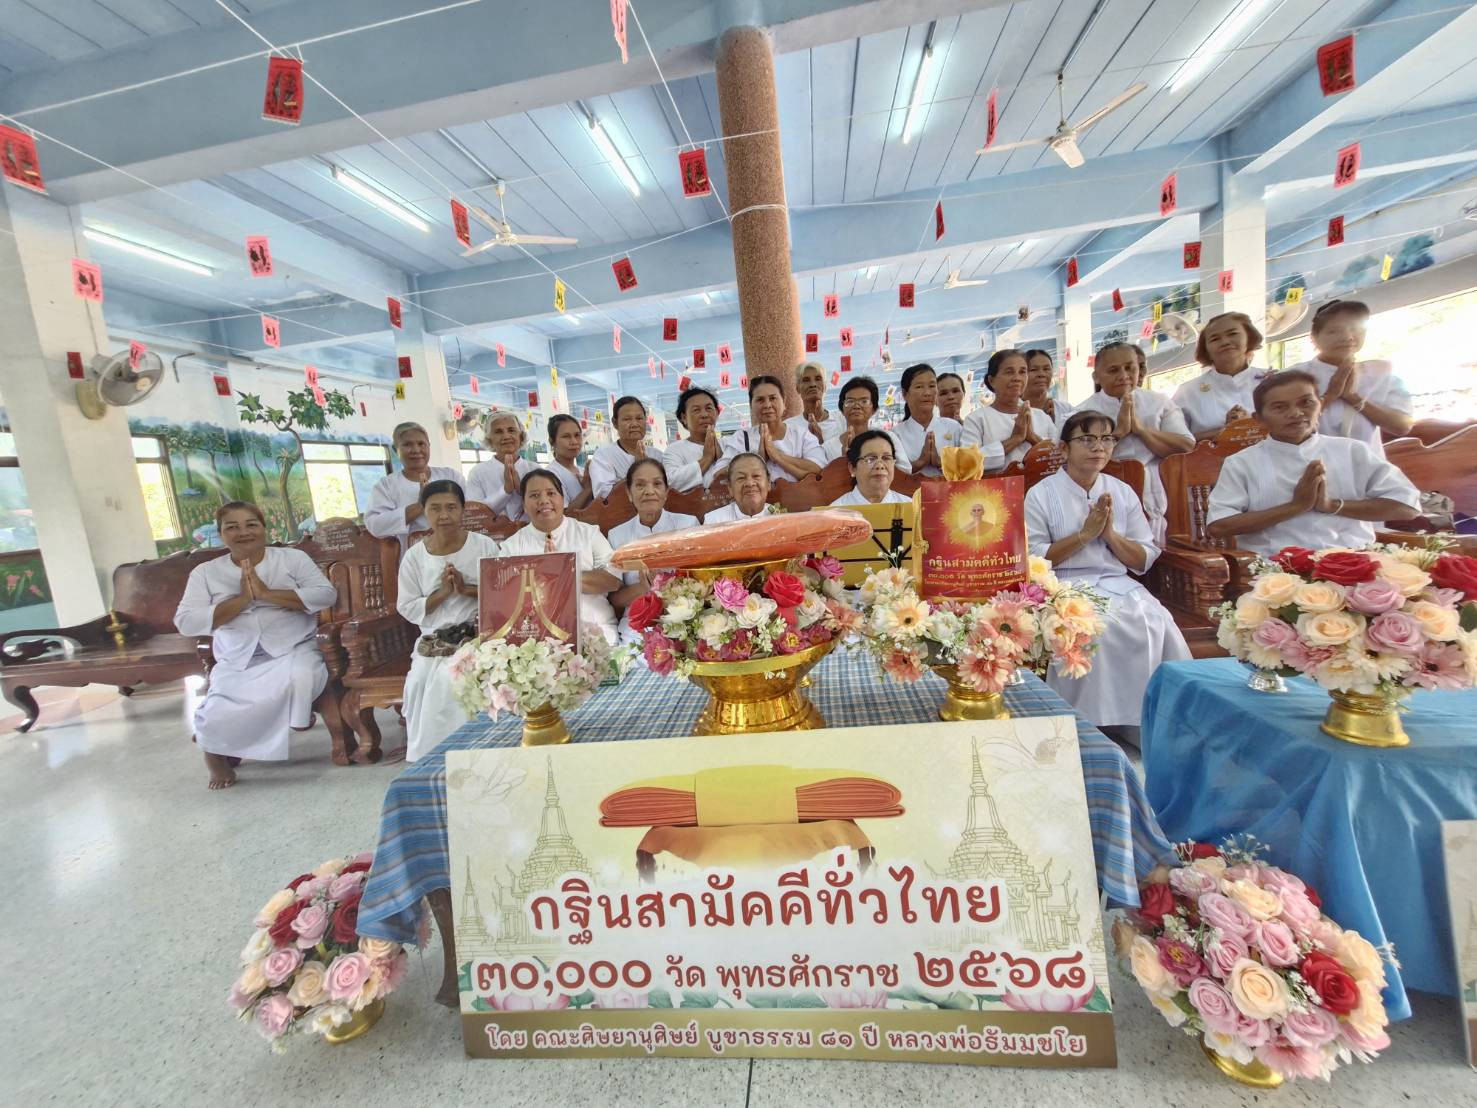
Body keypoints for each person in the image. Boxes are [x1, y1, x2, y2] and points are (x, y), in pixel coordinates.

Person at [1025, 413, 1191, 730]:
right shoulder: (1041, 494)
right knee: (1093, 628)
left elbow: (1143, 557)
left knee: (1153, 620)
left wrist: (1110, 535)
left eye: (1106, 439)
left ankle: (1144, 725)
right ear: (1064, 448)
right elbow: (1034, 560)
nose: (1098, 447)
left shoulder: (1122, 491)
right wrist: (1084, 535)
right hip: (1063, 584)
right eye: (1087, 439)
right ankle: (1086, 725)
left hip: (1119, 583)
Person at [174, 502, 337, 790]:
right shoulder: (205, 572)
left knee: (302, 676)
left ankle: (296, 719)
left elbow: (326, 595)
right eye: (232, 527)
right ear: (221, 534)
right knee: (217, 710)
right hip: (237, 656)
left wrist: (266, 593)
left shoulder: (292, 559)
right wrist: (242, 600)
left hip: (293, 647)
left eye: (251, 524)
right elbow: (186, 622)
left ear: (264, 528)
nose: (243, 532)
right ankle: (214, 756)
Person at [1206, 370, 1421, 557]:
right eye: (1280, 407)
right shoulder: (1241, 463)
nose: (1296, 413)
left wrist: (1332, 506)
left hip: (1355, 561)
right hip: (1275, 569)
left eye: (1306, 403)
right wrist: (1296, 506)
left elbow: (1407, 507)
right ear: (1259, 418)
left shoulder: (1353, 451)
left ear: (1320, 405)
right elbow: (1219, 526)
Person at [396, 481, 502, 762]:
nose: (444, 515)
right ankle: (430, 758)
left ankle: (477, 754)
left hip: (478, 635)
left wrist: (466, 589)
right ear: (424, 511)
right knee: (419, 681)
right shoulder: (414, 556)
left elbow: (503, 592)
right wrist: (442, 594)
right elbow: (406, 606)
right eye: (435, 509)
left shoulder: (483, 545)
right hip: (434, 639)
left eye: (451, 507)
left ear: (463, 510)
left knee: (454, 678)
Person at [1072, 342, 1193, 540]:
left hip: (1159, 493)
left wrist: (1142, 430)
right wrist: (1118, 433)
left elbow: (1186, 446)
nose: (1124, 375)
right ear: (1096, 377)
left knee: (1159, 547)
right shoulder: (1081, 412)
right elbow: (1077, 460)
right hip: (1106, 495)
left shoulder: (1159, 402)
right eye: (1113, 370)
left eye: (1130, 368)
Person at [500, 469, 621, 643]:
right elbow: (505, 597)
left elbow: (613, 581)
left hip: (594, 630)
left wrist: (564, 573)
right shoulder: (512, 547)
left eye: (551, 493)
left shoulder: (589, 534)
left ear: (563, 499)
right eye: (534, 495)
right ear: (524, 505)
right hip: (535, 638)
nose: (544, 501)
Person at [1288, 300, 1412, 454]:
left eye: (1355, 329)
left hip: (1368, 465)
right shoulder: (1293, 376)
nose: (1347, 337)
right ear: (1314, 338)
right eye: (1334, 331)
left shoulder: (1381, 375)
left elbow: (1402, 427)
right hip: (1312, 464)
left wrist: (1353, 398)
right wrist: (1330, 395)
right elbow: (1280, 425)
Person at [608, 459, 698, 643]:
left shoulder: (688, 525)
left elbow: (700, 581)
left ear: (666, 492)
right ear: (629, 493)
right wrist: (643, 588)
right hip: (636, 629)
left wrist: (666, 586)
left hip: (684, 622)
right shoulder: (617, 535)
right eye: (640, 485)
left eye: (657, 484)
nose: (649, 491)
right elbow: (615, 598)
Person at [365, 422, 464, 549]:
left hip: (455, 550)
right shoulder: (386, 486)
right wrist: (419, 506)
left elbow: (471, 511)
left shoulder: (451, 476)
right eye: (407, 444)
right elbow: (375, 526)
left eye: (421, 444)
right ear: (395, 449)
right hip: (412, 556)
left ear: (429, 446)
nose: (416, 450)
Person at [1172, 312, 1264, 439]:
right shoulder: (1188, 391)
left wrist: (1251, 425)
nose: (1225, 342)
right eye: (1215, 339)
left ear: (1249, 338)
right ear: (1206, 349)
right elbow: (1175, 441)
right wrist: (1226, 430)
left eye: (1233, 334)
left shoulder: (1273, 380)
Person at [961, 349, 1057, 469]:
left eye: (1022, 372)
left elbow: (1059, 456)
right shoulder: (976, 419)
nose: (1017, 378)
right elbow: (967, 462)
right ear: (991, 380)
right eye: (1009, 372)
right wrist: (1015, 439)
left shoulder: (1041, 416)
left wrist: (1032, 437)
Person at [717, 375, 824, 483]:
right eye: (760, 400)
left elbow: (818, 468)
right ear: (751, 405)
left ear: (784, 402)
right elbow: (718, 475)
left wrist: (777, 456)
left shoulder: (801, 434)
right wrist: (758, 459)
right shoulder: (741, 438)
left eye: (773, 398)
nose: (767, 405)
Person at [820, 376, 912, 472]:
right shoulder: (828, 447)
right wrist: (844, 460)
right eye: (850, 401)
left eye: (864, 401)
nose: (856, 406)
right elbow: (824, 478)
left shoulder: (888, 438)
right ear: (842, 409)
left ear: (874, 409)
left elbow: (906, 471)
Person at [891, 363, 966, 476]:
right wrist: (920, 462)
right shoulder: (896, 434)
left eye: (932, 386)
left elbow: (968, 468)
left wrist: (940, 462)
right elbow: (891, 473)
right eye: (919, 387)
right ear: (905, 394)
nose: (927, 393)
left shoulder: (954, 428)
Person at [589, 395, 665, 498]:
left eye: (639, 418)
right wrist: (636, 469)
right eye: (627, 419)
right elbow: (603, 495)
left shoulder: (657, 455)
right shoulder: (604, 455)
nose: (634, 424)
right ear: (615, 423)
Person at [465, 412, 533, 519]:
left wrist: (522, 491)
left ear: (521, 436)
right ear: (489, 439)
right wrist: (505, 491)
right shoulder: (478, 472)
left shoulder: (534, 469)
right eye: (498, 432)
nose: (506, 436)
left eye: (511, 430)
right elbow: (475, 514)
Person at [663, 385, 724, 491]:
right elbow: (671, 483)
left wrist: (723, 460)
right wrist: (707, 459)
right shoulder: (674, 450)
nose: (704, 415)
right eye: (696, 410)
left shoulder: (728, 445)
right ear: (684, 417)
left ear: (717, 413)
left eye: (709, 408)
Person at [830, 430, 911, 506]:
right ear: (852, 468)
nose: (880, 465)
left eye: (886, 458)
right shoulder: (837, 510)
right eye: (870, 459)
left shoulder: (911, 507)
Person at [704, 453, 773, 523]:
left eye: (756, 476)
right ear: (730, 487)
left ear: (768, 483)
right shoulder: (714, 520)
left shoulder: (778, 516)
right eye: (741, 478)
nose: (750, 483)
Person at [786, 361, 842, 444]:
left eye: (818, 379)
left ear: (825, 386)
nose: (813, 384)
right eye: (806, 380)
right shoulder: (789, 427)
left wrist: (820, 440)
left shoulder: (841, 420)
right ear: (798, 388)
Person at [547, 414, 592, 508]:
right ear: (552, 442)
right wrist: (587, 489)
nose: (574, 442)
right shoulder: (550, 475)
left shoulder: (582, 471)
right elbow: (564, 513)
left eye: (577, 435)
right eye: (566, 436)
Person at [1025, 349, 1072, 424]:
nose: (1041, 374)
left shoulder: (1066, 410)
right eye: (1033, 369)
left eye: (1046, 369)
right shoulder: (1013, 410)